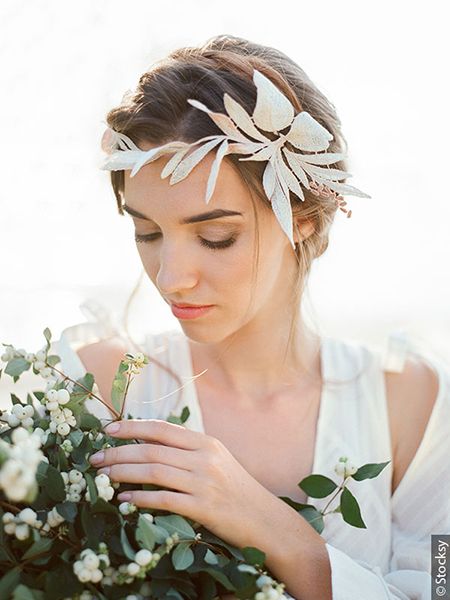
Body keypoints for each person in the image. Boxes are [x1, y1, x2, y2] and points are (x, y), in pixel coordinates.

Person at [52, 35, 450, 599]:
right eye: (147, 233)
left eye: (216, 237)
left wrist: (287, 541)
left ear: (306, 216)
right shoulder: (86, 388)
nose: (170, 277)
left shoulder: (414, 407)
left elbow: (440, 582)